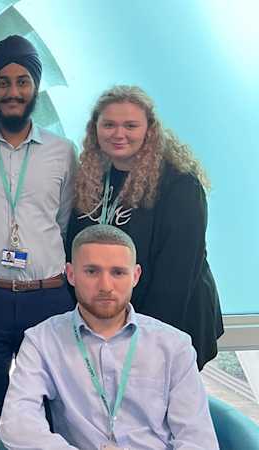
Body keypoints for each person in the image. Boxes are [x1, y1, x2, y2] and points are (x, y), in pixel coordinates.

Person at [0, 35, 77, 449]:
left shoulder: (62, 151)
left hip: (47, 300)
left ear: (35, 87)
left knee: (49, 411)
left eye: (22, 81)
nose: (13, 91)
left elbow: (63, 221)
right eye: (3, 82)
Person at [0, 224, 218, 449]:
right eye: (92, 271)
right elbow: (17, 426)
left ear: (135, 276)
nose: (105, 286)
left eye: (118, 272)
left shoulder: (174, 346)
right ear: (71, 274)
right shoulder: (42, 341)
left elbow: (198, 441)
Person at [67, 85, 223, 370]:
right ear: (95, 129)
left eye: (130, 125)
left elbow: (176, 276)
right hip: (107, 320)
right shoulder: (91, 178)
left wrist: (144, 341)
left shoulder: (180, 185)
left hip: (169, 322)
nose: (119, 134)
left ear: (149, 130)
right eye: (109, 125)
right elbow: (74, 249)